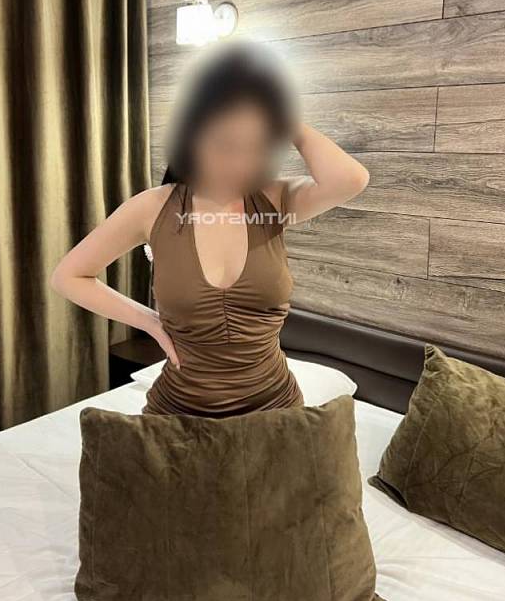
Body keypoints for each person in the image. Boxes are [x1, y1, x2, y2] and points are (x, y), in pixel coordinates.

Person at [50, 40, 370, 416]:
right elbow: (69, 276)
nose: (240, 163)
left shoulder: (274, 200)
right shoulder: (153, 208)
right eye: (225, 145)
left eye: (255, 147)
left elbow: (351, 179)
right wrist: (149, 321)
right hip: (179, 412)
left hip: (275, 411)